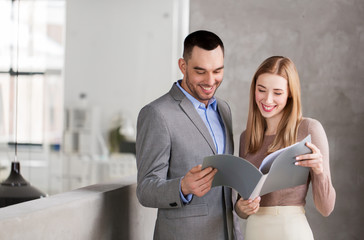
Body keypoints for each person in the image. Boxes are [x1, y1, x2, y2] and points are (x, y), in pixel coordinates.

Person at [136, 30, 241, 239]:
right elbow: (145, 189)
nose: (211, 81)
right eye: (200, 71)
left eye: (218, 70)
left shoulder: (224, 109)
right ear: (183, 66)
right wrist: (182, 186)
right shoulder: (157, 114)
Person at [235, 56, 336, 239]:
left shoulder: (309, 129)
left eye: (278, 92)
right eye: (261, 90)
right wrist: (241, 207)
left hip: (290, 231)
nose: (268, 99)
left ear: (290, 93)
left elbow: (326, 208)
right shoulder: (246, 137)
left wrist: (319, 171)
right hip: (254, 232)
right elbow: (242, 208)